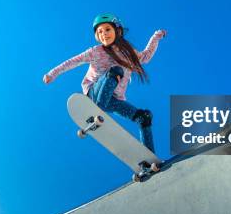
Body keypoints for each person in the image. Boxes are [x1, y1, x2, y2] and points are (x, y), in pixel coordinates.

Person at [43, 13, 166, 153]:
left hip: (112, 100)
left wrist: (156, 37)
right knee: (116, 70)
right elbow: (73, 62)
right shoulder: (95, 51)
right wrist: (52, 74)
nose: (104, 34)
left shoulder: (128, 53)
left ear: (117, 31)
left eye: (107, 29)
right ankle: (96, 110)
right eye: (99, 32)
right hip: (94, 94)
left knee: (144, 117)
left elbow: (145, 56)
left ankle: (149, 159)